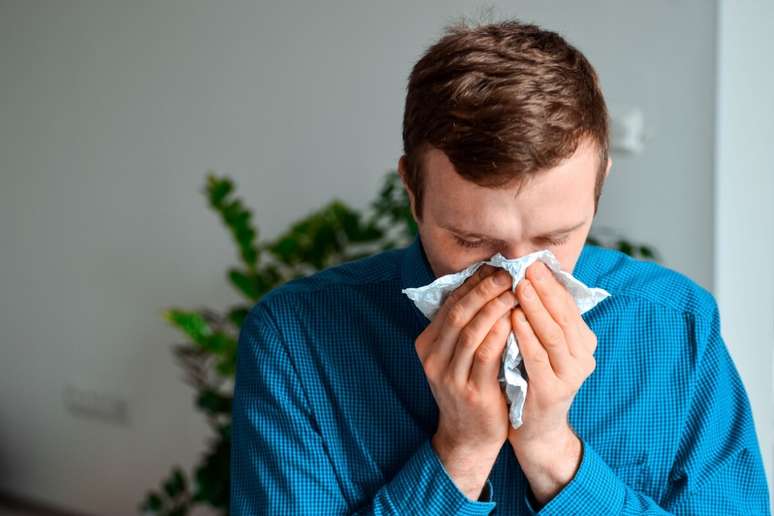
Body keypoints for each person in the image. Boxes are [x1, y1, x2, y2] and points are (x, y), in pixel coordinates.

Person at [230, 17, 771, 515]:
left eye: (555, 237)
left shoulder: (676, 327)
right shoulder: (297, 338)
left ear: (599, 185)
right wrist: (461, 451)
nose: (518, 274)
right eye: (472, 240)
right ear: (412, 191)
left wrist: (553, 452)